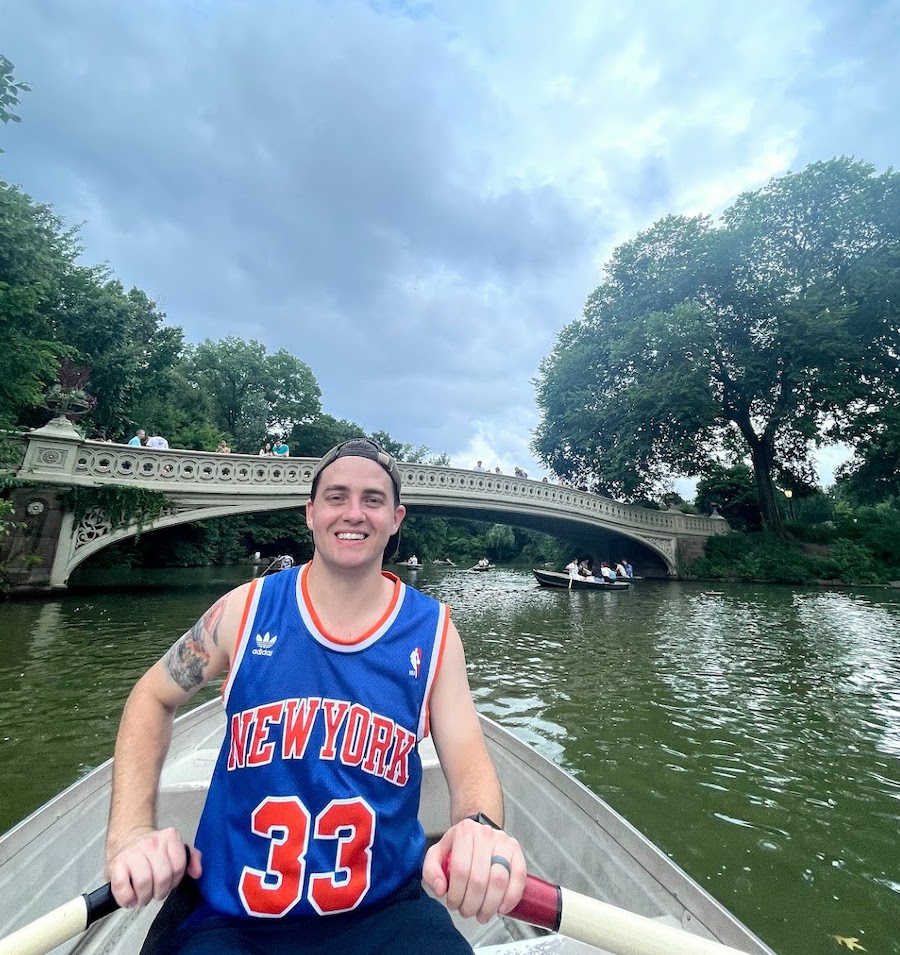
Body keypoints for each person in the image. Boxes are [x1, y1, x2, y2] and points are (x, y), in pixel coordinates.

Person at [104, 436, 525, 953]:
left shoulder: (434, 633)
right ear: (310, 513)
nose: (354, 513)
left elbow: (469, 761)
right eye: (336, 496)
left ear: (396, 518)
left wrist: (480, 829)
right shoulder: (244, 611)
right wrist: (130, 831)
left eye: (373, 499)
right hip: (233, 916)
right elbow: (150, 697)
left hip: (384, 911)